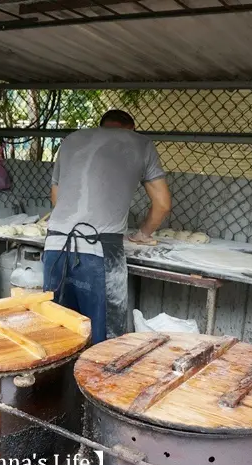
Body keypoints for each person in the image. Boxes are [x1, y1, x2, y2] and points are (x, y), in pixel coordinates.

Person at [44, 110, 172, 345]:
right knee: (103, 338)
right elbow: (163, 204)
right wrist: (142, 234)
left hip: (55, 247)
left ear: (101, 125)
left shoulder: (71, 140)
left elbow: (56, 197)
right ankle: (93, 380)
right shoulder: (141, 144)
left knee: (58, 331)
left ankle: (57, 381)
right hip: (98, 251)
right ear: (131, 128)